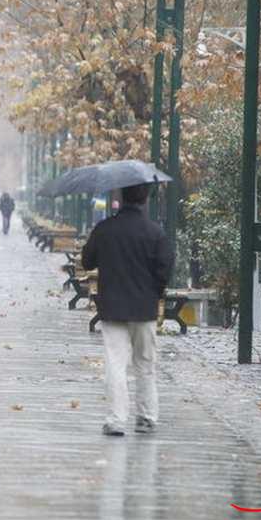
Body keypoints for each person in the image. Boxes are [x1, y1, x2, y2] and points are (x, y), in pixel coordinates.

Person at [81, 183, 174, 437]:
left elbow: (87, 261)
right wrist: (153, 292)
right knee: (145, 363)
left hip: (112, 307)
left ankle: (116, 420)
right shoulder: (155, 233)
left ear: (121, 197)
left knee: (115, 363)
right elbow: (165, 269)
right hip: (144, 308)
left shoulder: (105, 229)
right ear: (145, 199)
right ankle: (146, 416)